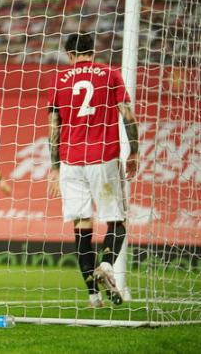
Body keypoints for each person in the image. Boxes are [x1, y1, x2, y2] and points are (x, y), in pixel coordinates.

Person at [48, 32, 139, 308]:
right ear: (93, 52)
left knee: (82, 226)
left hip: (71, 162)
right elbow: (127, 114)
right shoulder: (110, 74)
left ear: (70, 55)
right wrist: (133, 150)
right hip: (103, 156)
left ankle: (93, 297)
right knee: (117, 220)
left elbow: (55, 127)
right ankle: (108, 265)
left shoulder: (59, 80)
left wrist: (54, 166)